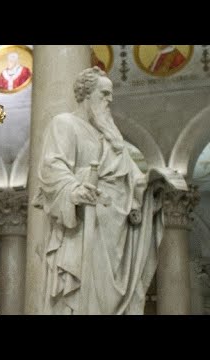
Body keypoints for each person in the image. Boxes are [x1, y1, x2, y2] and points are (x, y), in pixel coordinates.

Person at [32, 66, 164, 314]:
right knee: (83, 294)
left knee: (106, 301)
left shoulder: (110, 137)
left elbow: (134, 179)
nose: (109, 100)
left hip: (114, 229)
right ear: (86, 94)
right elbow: (53, 165)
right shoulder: (65, 124)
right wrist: (73, 189)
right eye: (104, 94)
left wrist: (153, 186)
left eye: (110, 95)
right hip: (83, 224)